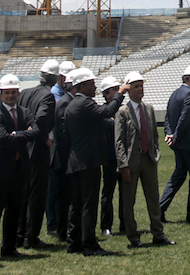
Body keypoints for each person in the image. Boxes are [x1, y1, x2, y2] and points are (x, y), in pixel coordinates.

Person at [64, 67, 127, 256]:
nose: (95, 87)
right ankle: (89, 244)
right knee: (88, 204)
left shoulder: (71, 105)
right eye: (92, 84)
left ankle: (73, 242)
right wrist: (120, 94)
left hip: (75, 160)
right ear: (82, 86)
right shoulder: (85, 103)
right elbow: (107, 110)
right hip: (88, 161)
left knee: (76, 204)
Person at [114, 71, 175, 248]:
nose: (140, 89)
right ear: (129, 90)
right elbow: (118, 141)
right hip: (130, 162)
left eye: (141, 86)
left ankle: (158, 233)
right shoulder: (123, 112)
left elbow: (154, 134)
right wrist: (123, 164)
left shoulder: (148, 108)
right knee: (129, 200)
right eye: (136, 87)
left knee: (153, 198)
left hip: (148, 159)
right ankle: (133, 236)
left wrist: (155, 153)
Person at [0, 74, 36, 262]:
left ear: (18, 93)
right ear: (1, 95)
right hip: (1, 170)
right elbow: (2, 137)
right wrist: (23, 134)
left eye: (13, 92)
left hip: (20, 169)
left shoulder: (25, 113)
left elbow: (36, 132)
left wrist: (15, 135)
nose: (10, 96)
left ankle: (9, 247)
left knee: (14, 210)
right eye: (7, 93)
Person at [16, 59, 59, 250]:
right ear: (55, 79)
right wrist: (45, 138)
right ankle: (30, 236)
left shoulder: (25, 93)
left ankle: (19, 234)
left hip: (23, 148)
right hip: (37, 150)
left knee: (23, 193)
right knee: (37, 195)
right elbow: (41, 121)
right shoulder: (47, 96)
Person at [159, 64, 190, 223]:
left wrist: (169, 134)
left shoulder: (174, 94)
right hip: (188, 145)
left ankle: (159, 209)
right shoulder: (189, 95)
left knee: (178, 176)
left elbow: (167, 118)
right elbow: (184, 118)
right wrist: (175, 135)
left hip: (177, 145)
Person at [46, 61, 75, 238]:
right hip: (54, 145)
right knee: (54, 188)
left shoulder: (62, 94)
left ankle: (60, 222)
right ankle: (53, 224)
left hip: (63, 147)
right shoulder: (55, 96)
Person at [98, 75, 124, 237]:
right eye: (115, 89)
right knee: (108, 192)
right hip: (109, 158)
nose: (118, 92)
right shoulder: (103, 112)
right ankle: (106, 225)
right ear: (106, 93)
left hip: (123, 157)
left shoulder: (123, 110)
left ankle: (125, 222)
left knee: (125, 192)